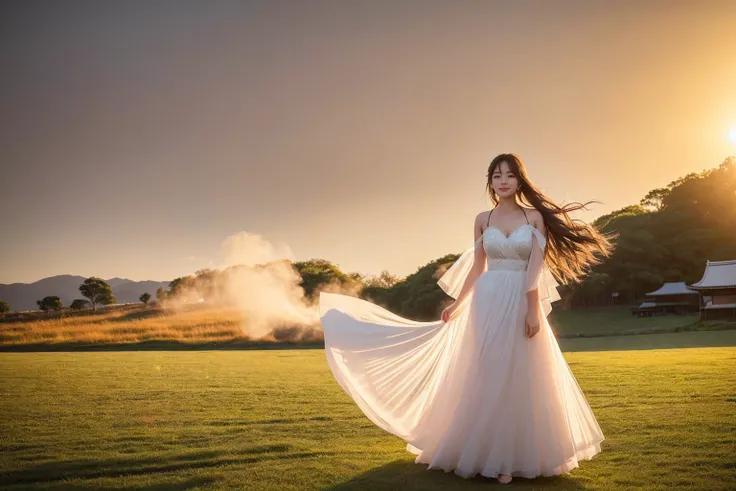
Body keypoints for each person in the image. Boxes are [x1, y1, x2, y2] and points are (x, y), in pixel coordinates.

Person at [319, 153, 616, 483]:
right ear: (490, 182)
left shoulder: (534, 218)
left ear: (520, 180)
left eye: (510, 175)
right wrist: (458, 304)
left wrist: (533, 310)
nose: (503, 181)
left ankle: (509, 459)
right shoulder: (482, 218)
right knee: (485, 371)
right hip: (486, 300)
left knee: (517, 372)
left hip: (518, 298)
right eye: (496, 176)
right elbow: (478, 268)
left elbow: (535, 268)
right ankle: (481, 452)